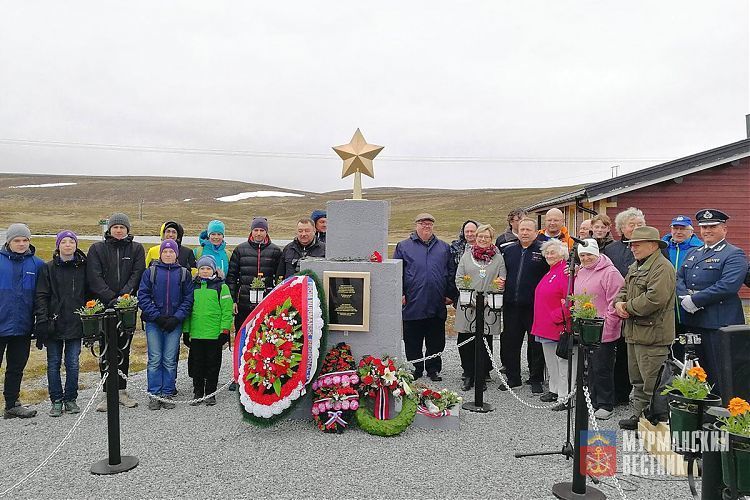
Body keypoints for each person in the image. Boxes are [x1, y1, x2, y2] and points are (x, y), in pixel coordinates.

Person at [676, 209, 747, 394]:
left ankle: (723, 407)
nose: (707, 231)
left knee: (720, 372)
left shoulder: (734, 254)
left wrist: (695, 300)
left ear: (724, 229)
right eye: (704, 227)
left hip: (719, 323)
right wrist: (684, 298)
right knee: (698, 371)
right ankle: (702, 405)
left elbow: (728, 285)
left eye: (712, 227)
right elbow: (679, 277)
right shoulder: (694, 252)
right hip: (694, 320)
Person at [614, 226, 675, 430]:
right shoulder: (636, 266)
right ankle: (640, 416)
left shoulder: (662, 268)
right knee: (637, 380)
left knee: (653, 382)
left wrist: (627, 307)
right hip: (635, 333)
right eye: (631, 245)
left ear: (653, 245)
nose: (632, 248)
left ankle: (655, 422)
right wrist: (618, 303)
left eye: (637, 245)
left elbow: (655, 298)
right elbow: (624, 288)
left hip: (653, 335)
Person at [86, 212, 146, 412]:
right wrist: (111, 298)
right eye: (115, 227)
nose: (119, 230)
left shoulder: (136, 249)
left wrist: (124, 298)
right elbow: (94, 277)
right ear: (110, 229)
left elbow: (137, 274)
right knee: (105, 348)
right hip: (104, 307)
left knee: (124, 348)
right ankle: (107, 393)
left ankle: (121, 391)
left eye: (122, 227)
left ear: (127, 229)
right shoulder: (97, 249)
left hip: (126, 307)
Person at [393, 213, 454, 382]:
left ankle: (433, 369)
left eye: (429, 223)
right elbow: (396, 272)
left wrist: (450, 294)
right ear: (416, 225)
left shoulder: (443, 247)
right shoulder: (403, 246)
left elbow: (450, 271)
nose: (426, 226)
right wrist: (400, 294)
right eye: (422, 223)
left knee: (436, 339)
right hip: (413, 301)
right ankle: (416, 368)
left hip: (436, 301)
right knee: (413, 339)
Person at [34, 230, 88, 417]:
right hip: (54, 323)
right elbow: (42, 295)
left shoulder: (83, 267)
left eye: (71, 241)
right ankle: (56, 400)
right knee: (53, 363)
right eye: (63, 242)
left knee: (72, 363)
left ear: (76, 245)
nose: (67, 245)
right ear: (58, 245)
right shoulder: (48, 268)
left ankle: (71, 398)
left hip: (75, 322)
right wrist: (42, 319)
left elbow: (89, 293)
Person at [138, 240, 194, 410]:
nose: (168, 254)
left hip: (174, 323)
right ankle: (154, 393)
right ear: (160, 253)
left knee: (169, 359)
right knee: (155, 358)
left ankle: (167, 392)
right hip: (154, 322)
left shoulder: (184, 273)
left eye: (171, 251)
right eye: (165, 251)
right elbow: (143, 296)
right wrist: (157, 317)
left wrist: (177, 318)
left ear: (176, 254)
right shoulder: (150, 272)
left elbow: (188, 299)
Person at [573, 239, 624, 420]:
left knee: (602, 367)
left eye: (589, 254)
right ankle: (592, 400)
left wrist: (609, 324)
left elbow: (615, 300)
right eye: (582, 255)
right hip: (586, 328)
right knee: (590, 367)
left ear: (597, 254)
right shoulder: (580, 271)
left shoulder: (610, 273)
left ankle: (605, 403)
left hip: (603, 328)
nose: (586, 258)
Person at [499, 218, 549, 393]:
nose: (525, 233)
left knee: (536, 344)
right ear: (517, 231)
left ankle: (535, 379)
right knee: (511, 343)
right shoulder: (509, 251)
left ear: (536, 232)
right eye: (522, 230)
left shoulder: (543, 250)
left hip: (535, 307)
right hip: (511, 305)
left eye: (528, 230)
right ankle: (513, 378)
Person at [454, 224, 506, 391]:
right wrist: (471, 298)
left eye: (486, 237)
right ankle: (468, 374)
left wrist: (488, 298)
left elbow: (501, 280)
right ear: (476, 238)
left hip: (488, 306)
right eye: (480, 236)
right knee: (465, 339)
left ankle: (481, 375)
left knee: (485, 341)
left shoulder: (498, 258)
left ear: (491, 239)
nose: (483, 239)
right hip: (468, 305)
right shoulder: (466, 256)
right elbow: (459, 278)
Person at [0, 223, 44, 418]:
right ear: (8, 241)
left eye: (25, 240)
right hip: (1, 324)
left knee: (16, 368)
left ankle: (12, 405)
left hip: (23, 327)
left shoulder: (37, 265)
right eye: (17, 240)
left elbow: (41, 297)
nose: (21, 244)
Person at [603, 207, 645, 407]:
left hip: (641, 307)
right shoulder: (611, 249)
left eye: (640, 224)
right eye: (632, 225)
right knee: (619, 353)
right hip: (616, 307)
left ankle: (642, 397)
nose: (636, 228)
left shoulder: (653, 248)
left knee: (637, 355)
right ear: (621, 228)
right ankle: (619, 393)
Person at [182, 256, 232, 406]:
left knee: (212, 365)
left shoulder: (221, 287)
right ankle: (198, 392)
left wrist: (224, 330)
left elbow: (227, 310)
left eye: (208, 268)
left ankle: (210, 392)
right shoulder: (193, 286)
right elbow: (188, 310)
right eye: (202, 268)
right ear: (198, 270)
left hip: (214, 334)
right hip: (197, 333)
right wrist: (186, 331)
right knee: (197, 364)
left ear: (214, 270)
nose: (205, 271)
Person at [530, 239, 574, 410]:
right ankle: (554, 390)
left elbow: (570, 299)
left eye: (552, 252)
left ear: (562, 254)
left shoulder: (565, 272)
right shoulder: (551, 271)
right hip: (545, 326)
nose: (549, 255)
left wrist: (558, 316)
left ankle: (565, 396)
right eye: (547, 253)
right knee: (551, 362)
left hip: (558, 325)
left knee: (562, 363)